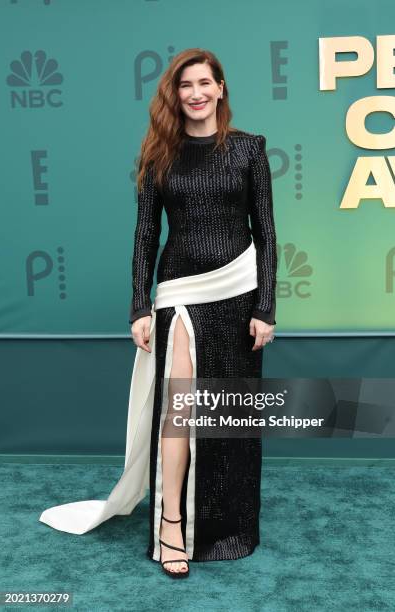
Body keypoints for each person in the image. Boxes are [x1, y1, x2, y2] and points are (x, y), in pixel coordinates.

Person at [39, 47, 277, 581]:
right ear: (176, 95)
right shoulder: (159, 155)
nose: (194, 93)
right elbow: (146, 236)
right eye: (184, 85)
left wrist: (266, 305)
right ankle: (171, 523)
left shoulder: (249, 150)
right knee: (181, 409)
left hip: (238, 290)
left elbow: (267, 233)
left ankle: (227, 526)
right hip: (179, 294)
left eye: (203, 83)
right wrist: (139, 306)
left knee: (228, 413)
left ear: (221, 89)